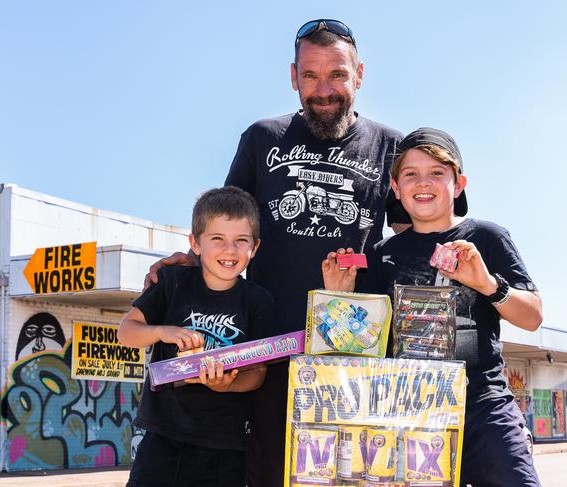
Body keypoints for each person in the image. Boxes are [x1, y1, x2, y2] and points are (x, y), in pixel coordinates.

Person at [144, 19, 403, 487]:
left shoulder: (390, 146)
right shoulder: (262, 138)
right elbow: (224, 222)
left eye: (338, 75)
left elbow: (406, 246)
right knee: (268, 470)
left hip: (353, 351)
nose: (324, 89)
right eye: (310, 76)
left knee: (350, 473)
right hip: (266, 347)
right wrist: (188, 258)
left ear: (359, 74)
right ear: (292, 76)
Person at [322, 127, 542, 487]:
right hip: (405, 410)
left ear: (458, 184)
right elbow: (362, 348)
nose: (423, 183)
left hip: (484, 407)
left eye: (437, 173)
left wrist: (487, 284)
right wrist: (341, 298)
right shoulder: (381, 254)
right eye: (410, 174)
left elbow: (533, 317)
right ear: (396, 188)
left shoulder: (488, 237)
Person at [119, 186, 275, 487]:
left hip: (225, 445)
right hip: (162, 436)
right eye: (217, 239)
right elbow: (127, 332)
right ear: (196, 243)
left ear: (254, 248)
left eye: (240, 241)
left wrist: (227, 385)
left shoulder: (259, 301)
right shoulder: (171, 282)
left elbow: (258, 372)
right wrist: (162, 331)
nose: (229, 251)